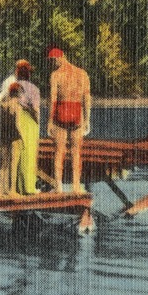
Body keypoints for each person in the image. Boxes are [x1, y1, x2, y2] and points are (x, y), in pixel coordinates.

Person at [47, 47, 92, 194]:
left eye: (53, 61)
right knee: (76, 152)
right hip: (77, 112)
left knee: (59, 151)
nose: (52, 64)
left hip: (61, 111)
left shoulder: (55, 75)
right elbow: (86, 98)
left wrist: (49, 121)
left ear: (60, 58)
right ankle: (76, 186)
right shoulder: (82, 73)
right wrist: (87, 119)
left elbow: (53, 99)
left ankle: (58, 186)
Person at [0, 60, 41, 196]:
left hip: (4, 133)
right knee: (22, 159)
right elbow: (31, 112)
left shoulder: (6, 96)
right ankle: (18, 188)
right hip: (23, 128)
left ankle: (1, 191)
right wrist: (23, 134)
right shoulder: (32, 89)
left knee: (3, 164)